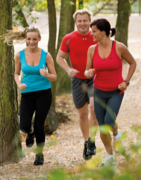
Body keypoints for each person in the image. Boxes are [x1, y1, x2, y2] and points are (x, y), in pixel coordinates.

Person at [84, 18, 136, 166]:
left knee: (108, 122)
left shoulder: (119, 47)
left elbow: (133, 63)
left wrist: (126, 82)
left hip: (115, 92)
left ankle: (116, 133)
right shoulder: (92, 49)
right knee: (102, 126)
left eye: (94, 31)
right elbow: (87, 71)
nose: (91, 34)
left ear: (103, 32)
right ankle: (110, 157)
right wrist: (89, 73)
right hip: (99, 91)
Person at [2, 26, 57, 165]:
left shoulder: (46, 55)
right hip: (26, 93)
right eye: (29, 39)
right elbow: (15, 73)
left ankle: (39, 154)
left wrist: (47, 75)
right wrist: (18, 84)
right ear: (25, 39)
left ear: (39, 39)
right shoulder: (19, 55)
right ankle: (30, 133)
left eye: (34, 39)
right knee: (25, 125)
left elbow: (54, 76)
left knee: (39, 124)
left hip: (44, 93)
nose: (32, 42)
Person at [56, 9, 98, 160]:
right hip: (77, 79)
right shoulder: (68, 38)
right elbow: (60, 57)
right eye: (79, 21)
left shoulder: (96, 36)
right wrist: (68, 69)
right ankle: (86, 143)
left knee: (93, 109)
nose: (82, 23)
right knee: (82, 115)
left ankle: (92, 141)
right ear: (75, 22)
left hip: (95, 78)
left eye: (85, 20)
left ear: (90, 21)